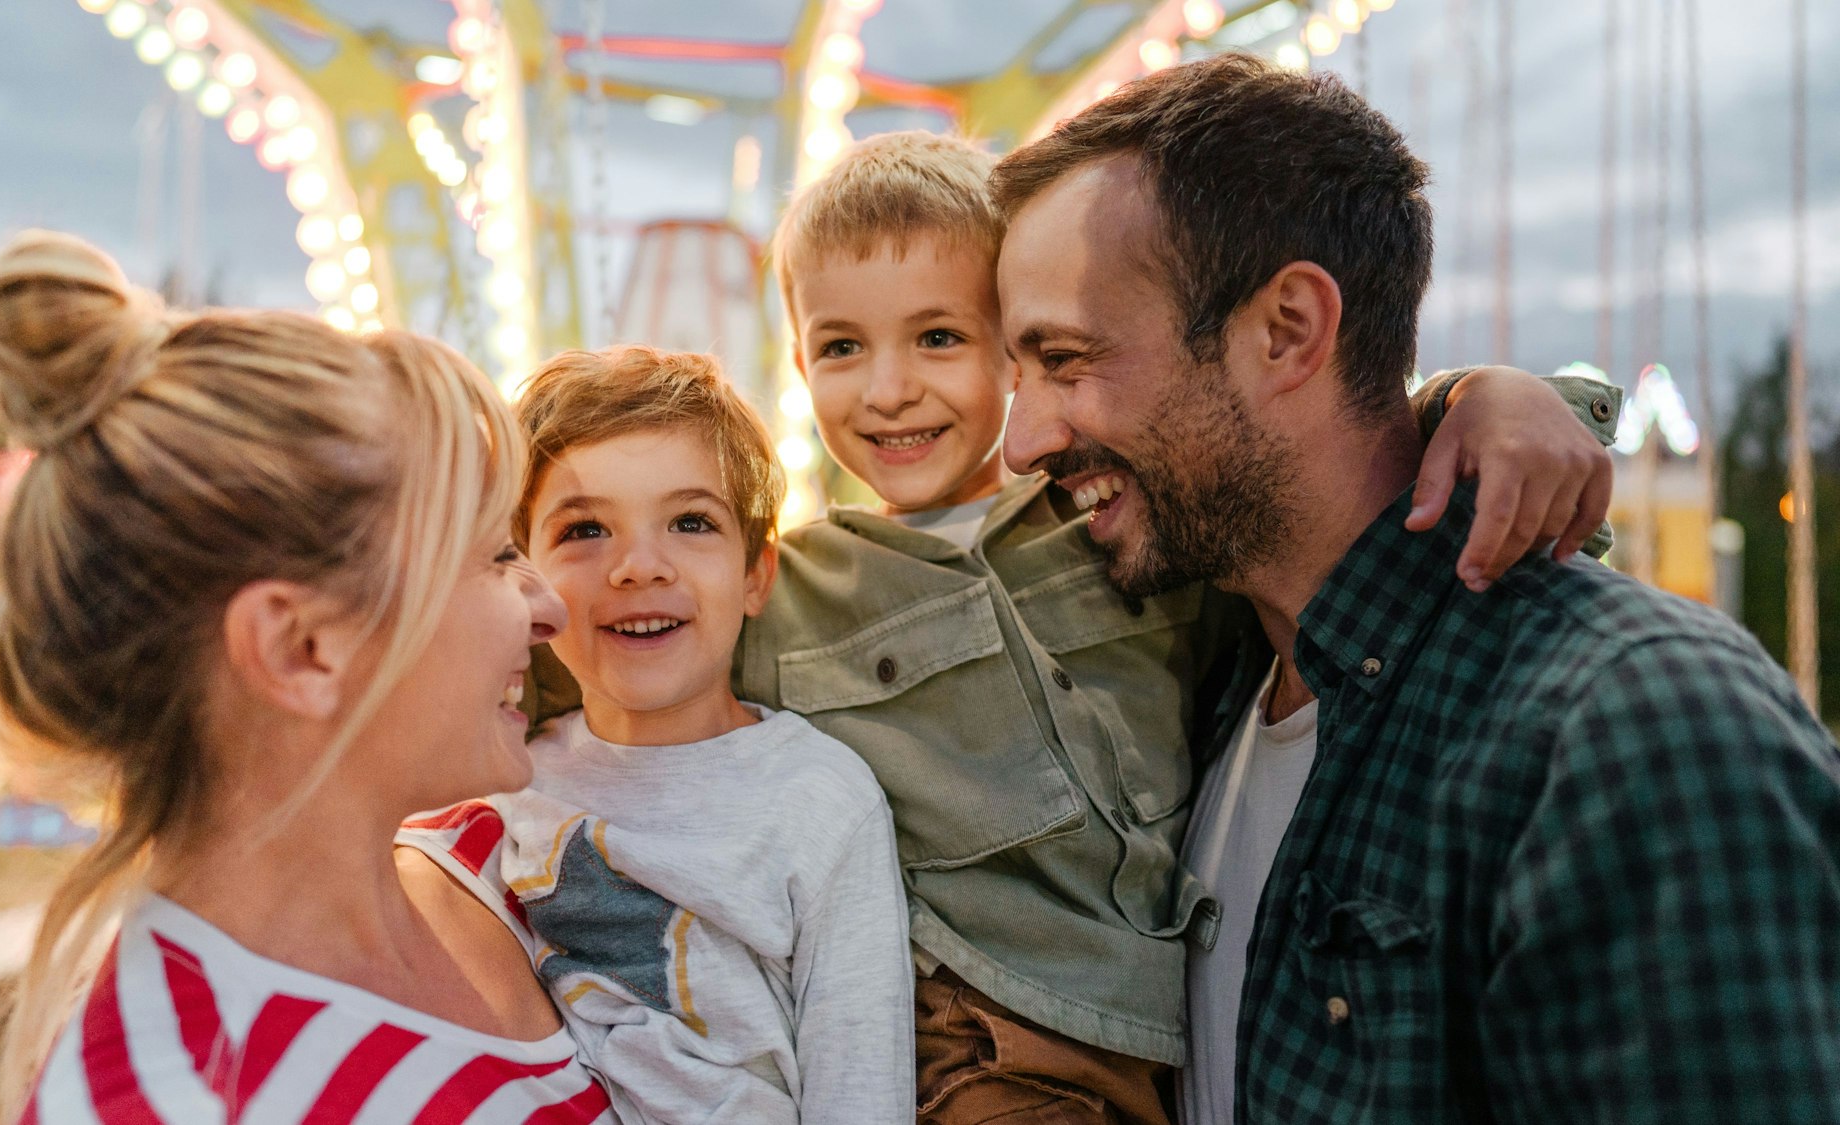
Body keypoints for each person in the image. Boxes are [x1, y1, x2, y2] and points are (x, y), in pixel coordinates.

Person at [544, 132, 1613, 1124]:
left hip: (1167, 1025)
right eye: (839, 348)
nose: (887, 390)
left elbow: (1320, 474)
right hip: (982, 1039)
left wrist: (1487, 395)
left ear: (1016, 349)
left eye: (937, 337)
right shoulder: (791, 585)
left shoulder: (1125, 519)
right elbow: (586, 646)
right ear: (798, 362)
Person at [993, 53, 1840, 1125]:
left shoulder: (1631, 728)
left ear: (1288, 329)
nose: (1022, 441)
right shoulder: (1192, 668)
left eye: (1064, 360)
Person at [0, 231, 614, 1124]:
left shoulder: (516, 868)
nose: (547, 606)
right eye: (492, 557)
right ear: (300, 649)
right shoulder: (172, 1097)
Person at [489, 345, 910, 1124]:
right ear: (528, 577)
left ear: (755, 573)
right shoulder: (503, 782)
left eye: (691, 521)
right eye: (585, 528)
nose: (638, 566)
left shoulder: (820, 799)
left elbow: (861, 1081)